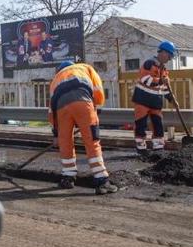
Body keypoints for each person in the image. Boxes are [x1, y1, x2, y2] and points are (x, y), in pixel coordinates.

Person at [48, 61, 119, 194]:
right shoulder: (85, 68)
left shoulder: (55, 79)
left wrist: (56, 134)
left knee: (65, 142)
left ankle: (67, 178)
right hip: (83, 101)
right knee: (92, 140)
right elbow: (98, 89)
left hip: (61, 109)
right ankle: (101, 180)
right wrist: (96, 109)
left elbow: (52, 110)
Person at [132, 41, 176, 152]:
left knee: (158, 125)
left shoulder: (164, 70)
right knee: (140, 124)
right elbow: (145, 80)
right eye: (170, 56)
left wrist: (171, 99)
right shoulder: (149, 64)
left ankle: (158, 147)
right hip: (142, 100)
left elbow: (165, 88)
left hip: (156, 102)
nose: (170, 59)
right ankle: (141, 148)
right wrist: (161, 80)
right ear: (163, 53)